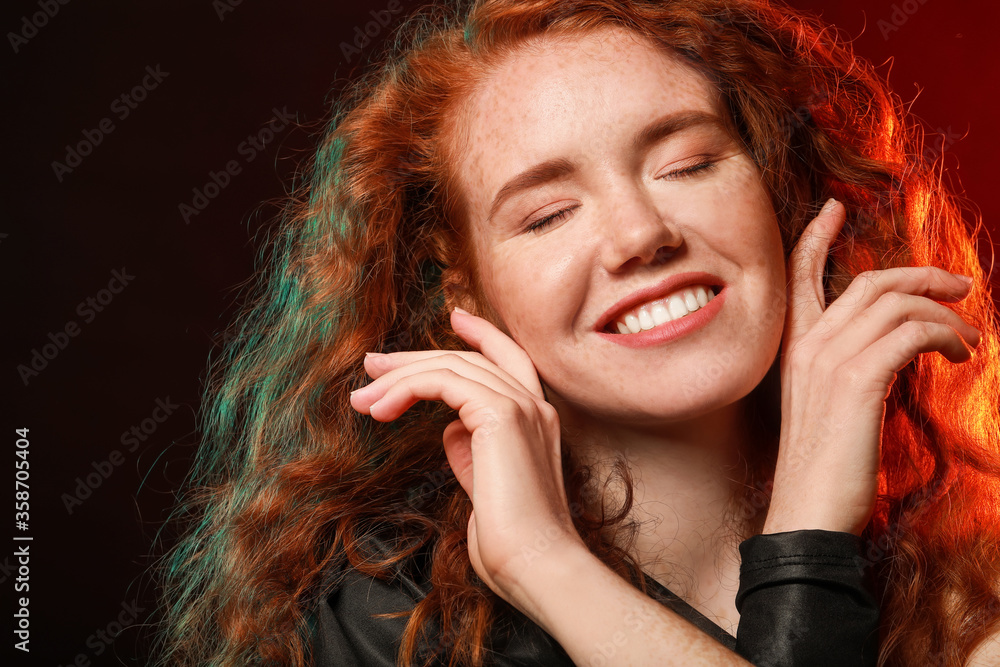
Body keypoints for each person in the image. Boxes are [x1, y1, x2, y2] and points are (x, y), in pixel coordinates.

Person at [154, 0, 1000, 665]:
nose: (640, 235)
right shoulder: (388, 618)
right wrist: (543, 566)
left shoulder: (970, 595)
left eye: (688, 165)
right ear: (469, 294)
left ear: (782, 193)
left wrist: (553, 566)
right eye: (550, 214)